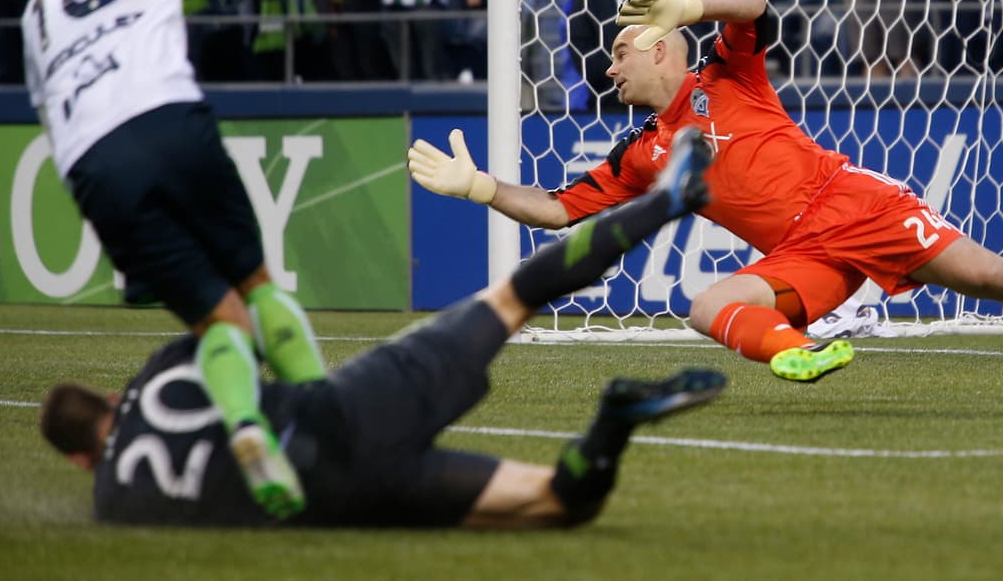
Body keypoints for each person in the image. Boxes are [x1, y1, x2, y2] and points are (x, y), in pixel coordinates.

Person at [407, 0, 1003, 386]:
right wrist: (479, 185)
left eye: (619, 53)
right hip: (801, 250)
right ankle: (800, 355)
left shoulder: (729, 73)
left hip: (856, 202)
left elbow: (754, 6)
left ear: (664, 48)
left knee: (993, 276)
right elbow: (557, 209)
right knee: (706, 307)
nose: (609, 69)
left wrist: (692, 3)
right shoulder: (641, 152)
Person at [40, 128, 726, 528]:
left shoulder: (116, 499)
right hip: (349, 403)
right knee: (518, 292)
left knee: (556, 501)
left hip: (351, 490)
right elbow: (239, 336)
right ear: (106, 397)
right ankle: (666, 200)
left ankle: (615, 418)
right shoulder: (164, 369)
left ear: (79, 459)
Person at [21, 0, 329, 520]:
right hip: (165, 116)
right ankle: (330, 413)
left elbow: (48, 110)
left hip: (92, 160)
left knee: (213, 317)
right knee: (252, 284)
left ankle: (249, 429)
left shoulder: (39, 2)